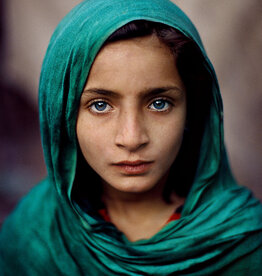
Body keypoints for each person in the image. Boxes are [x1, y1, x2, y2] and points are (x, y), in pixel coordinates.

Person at [1, 0, 262, 274]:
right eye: (100, 105)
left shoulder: (244, 245)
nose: (132, 138)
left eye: (159, 103)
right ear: (63, 116)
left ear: (193, 111)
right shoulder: (32, 238)